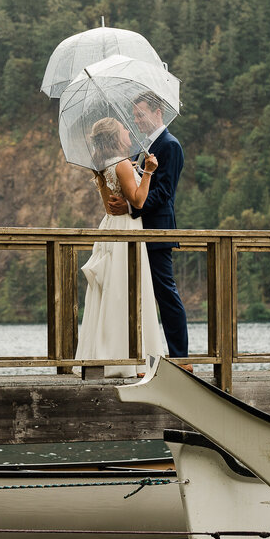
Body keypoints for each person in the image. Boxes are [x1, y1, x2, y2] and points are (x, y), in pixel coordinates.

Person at [74, 117, 169, 378]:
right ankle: (134, 359)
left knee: (111, 291)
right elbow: (138, 201)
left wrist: (135, 171)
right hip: (127, 229)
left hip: (109, 227)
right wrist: (147, 172)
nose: (129, 131)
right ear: (116, 137)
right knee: (130, 290)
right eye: (124, 129)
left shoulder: (103, 165)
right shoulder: (123, 164)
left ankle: (107, 356)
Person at [106, 94, 189, 361]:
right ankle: (139, 354)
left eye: (141, 114)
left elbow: (164, 193)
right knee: (135, 295)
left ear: (158, 112)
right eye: (135, 115)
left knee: (166, 294)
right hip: (135, 231)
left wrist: (130, 207)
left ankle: (179, 357)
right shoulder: (140, 147)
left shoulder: (170, 146)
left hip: (156, 232)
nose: (137, 120)